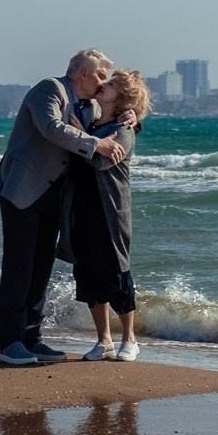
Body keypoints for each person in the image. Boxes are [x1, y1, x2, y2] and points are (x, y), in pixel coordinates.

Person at [0, 49, 126, 366]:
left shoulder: (91, 106)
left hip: (55, 194)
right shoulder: (49, 89)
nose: (103, 81)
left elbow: (105, 125)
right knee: (19, 266)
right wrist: (96, 144)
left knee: (40, 268)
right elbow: (51, 127)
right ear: (83, 74)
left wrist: (132, 118)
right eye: (101, 75)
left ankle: (32, 338)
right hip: (23, 189)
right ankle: (10, 342)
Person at [65, 67, 150, 362]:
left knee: (116, 274)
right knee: (87, 276)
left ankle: (130, 339)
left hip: (109, 212)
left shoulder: (123, 130)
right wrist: (83, 136)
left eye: (111, 84)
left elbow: (101, 163)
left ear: (123, 98)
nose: (104, 84)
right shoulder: (88, 118)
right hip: (81, 210)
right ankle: (104, 341)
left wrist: (78, 137)